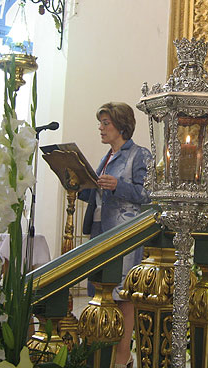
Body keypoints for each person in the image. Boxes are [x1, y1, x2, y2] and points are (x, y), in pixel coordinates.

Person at [80, 102, 150, 368]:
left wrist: (118, 185)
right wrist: (79, 184)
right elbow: (99, 195)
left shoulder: (138, 155)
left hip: (124, 235)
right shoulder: (107, 157)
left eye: (105, 123)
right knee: (102, 292)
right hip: (101, 232)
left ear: (121, 125)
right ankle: (104, 350)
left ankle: (123, 356)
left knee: (124, 297)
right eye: (101, 123)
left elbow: (147, 195)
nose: (101, 128)